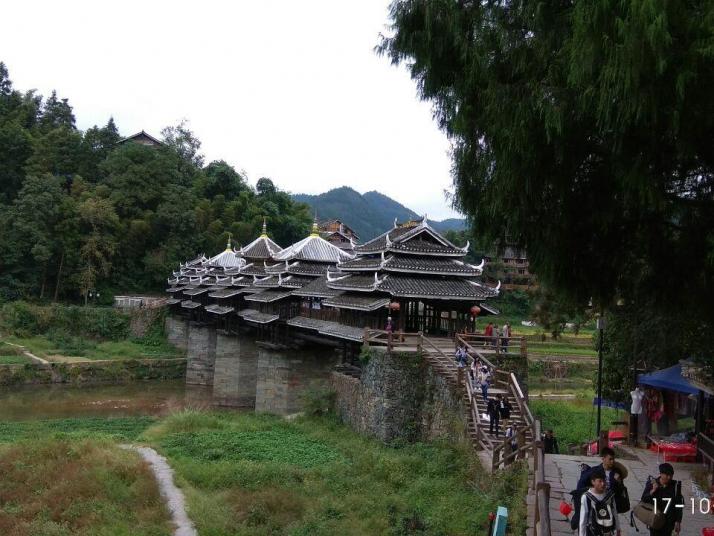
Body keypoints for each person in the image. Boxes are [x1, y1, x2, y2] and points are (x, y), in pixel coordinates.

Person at [640, 463, 683, 535]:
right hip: (655, 520)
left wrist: (678, 522)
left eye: (671, 475)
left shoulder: (675, 487)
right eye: (667, 475)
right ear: (661, 474)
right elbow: (643, 499)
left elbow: (679, 505)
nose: (669, 477)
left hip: (669, 523)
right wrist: (652, 491)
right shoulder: (652, 484)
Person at [578, 469, 620, 536]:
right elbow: (583, 519)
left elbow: (614, 513)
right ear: (593, 482)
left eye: (604, 481)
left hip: (608, 532)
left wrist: (618, 530)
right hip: (592, 532)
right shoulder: (586, 497)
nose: (603, 484)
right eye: (600, 481)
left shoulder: (610, 496)